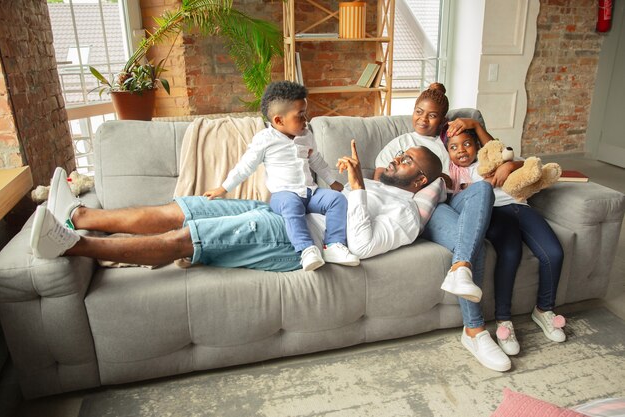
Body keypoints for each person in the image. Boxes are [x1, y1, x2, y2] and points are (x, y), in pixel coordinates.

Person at [30, 142, 446, 276]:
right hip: (283, 210)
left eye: (406, 162)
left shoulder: (408, 214)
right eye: (400, 155)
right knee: (184, 208)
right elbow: (333, 194)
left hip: (295, 241)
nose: (395, 160)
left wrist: (354, 188)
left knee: (189, 238)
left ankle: (70, 246)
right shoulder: (376, 182)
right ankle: (82, 217)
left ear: (419, 182)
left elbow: (363, 244)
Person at [374, 85, 511, 372]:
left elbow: (495, 155)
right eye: (418, 112)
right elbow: (382, 181)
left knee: (483, 189)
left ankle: (459, 268)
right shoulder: (400, 143)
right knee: (475, 245)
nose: (423, 119)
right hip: (426, 209)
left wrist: (474, 125)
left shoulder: (451, 139)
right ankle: (475, 332)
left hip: (455, 200)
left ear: (443, 119)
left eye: (432, 115)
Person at [204, 80, 359, 272]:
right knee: (291, 205)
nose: (306, 119)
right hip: (283, 195)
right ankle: (306, 249)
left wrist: (333, 182)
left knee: (336, 199)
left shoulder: (307, 134)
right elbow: (245, 166)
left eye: (305, 113)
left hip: (310, 192)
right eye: (300, 115)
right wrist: (223, 187)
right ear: (279, 120)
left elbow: (316, 160)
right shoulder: (265, 140)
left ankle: (333, 245)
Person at [446, 129, 566, 357]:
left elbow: (525, 164)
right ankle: (504, 321)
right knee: (511, 255)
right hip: (496, 213)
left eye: (467, 143)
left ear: (478, 146)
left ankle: (544, 310)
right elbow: (462, 204)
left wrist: (508, 167)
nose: (461, 150)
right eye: (454, 147)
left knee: (554, 253)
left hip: (521, 207)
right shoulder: (455, 172)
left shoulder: (493, 159)